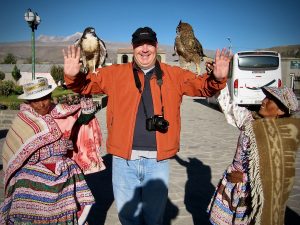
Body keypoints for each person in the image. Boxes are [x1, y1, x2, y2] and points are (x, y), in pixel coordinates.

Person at [63, 26, 232, 225]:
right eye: (139, 45)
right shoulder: (114, 73)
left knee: (154, 218)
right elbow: (85, 85)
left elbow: (202, 86)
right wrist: (73, 76)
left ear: (156, 46)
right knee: (128, 218)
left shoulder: (174, 74)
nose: (144, 49)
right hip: (123, 161)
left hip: (157, 163)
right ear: (133, 47)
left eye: (149, 44)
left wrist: (217, 79)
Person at [0, 78, 105, 224]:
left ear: (50, 97)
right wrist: (55, 148)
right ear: (29, 102)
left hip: (62, 167)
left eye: (45, 99)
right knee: (24, 191)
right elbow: (15, 154)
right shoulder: (23, 120)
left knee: (72, 183)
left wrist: (85, 97)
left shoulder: (59, 111)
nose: (42, 104)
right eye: (36, 101)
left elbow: (82, 117)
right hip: (30, 172)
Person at [207, 82, 300, 225]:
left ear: (281, 111)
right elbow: (229, 106)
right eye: (265, 97)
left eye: (270, 99)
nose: (263, 101)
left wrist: (244, 178)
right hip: (232, 186)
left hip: (253, 194)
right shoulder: (250, 121)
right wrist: (220, 81)